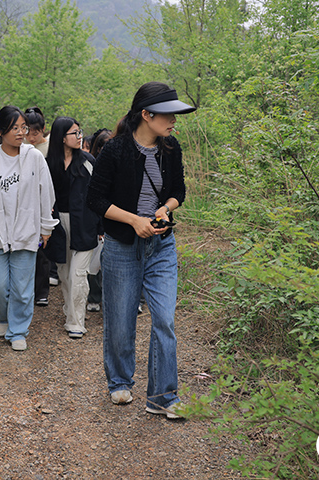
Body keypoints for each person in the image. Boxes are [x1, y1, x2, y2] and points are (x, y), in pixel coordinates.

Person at [86, 82, 196, 419]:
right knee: (120, 321)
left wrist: (166, 208)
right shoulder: (115, 151)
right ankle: (119, 379)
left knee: (164, 319)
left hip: (161, 247)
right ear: (146, 115)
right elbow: (96, 200)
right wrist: (135, 220)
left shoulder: (171, 148)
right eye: (168, 114)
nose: (174, 121)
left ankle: (162, 397)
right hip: (122, 247)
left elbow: (178, 190)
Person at [0, 106, 57, 351]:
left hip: (26, 232)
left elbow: (45, 193)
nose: (21, 133)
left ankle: (18, 330)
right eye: (14, 128)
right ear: (0, 131)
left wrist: (45, 227)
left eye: (23, 128)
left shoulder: (34, 157)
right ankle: (4, 317)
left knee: (22, 287)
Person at [44, 117, 101, 339]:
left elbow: (99, 196)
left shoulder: (88, 162)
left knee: (79, 275)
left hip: (84, 223)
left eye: (79, 132)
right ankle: (70, 311)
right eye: (74, 133)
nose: (79, 137)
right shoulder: (47, 164)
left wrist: (100, 226)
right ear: (61, 137)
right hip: (58, 224)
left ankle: (77, 321)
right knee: (65, 274)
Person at [23, 106, 54, 304]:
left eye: (36, 132)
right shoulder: (22, 149)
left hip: (45, 201)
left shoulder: (50, 148)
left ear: (43, 130)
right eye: (28, 132)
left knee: (42, 249)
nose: (31, 137)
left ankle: (42, 291)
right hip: (26, 203)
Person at [85, 128, 111, 313]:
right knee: (94, 264)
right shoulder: (91, 166)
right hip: (96, 220)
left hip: (117, 219)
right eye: (103, 146)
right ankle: (93, 297)